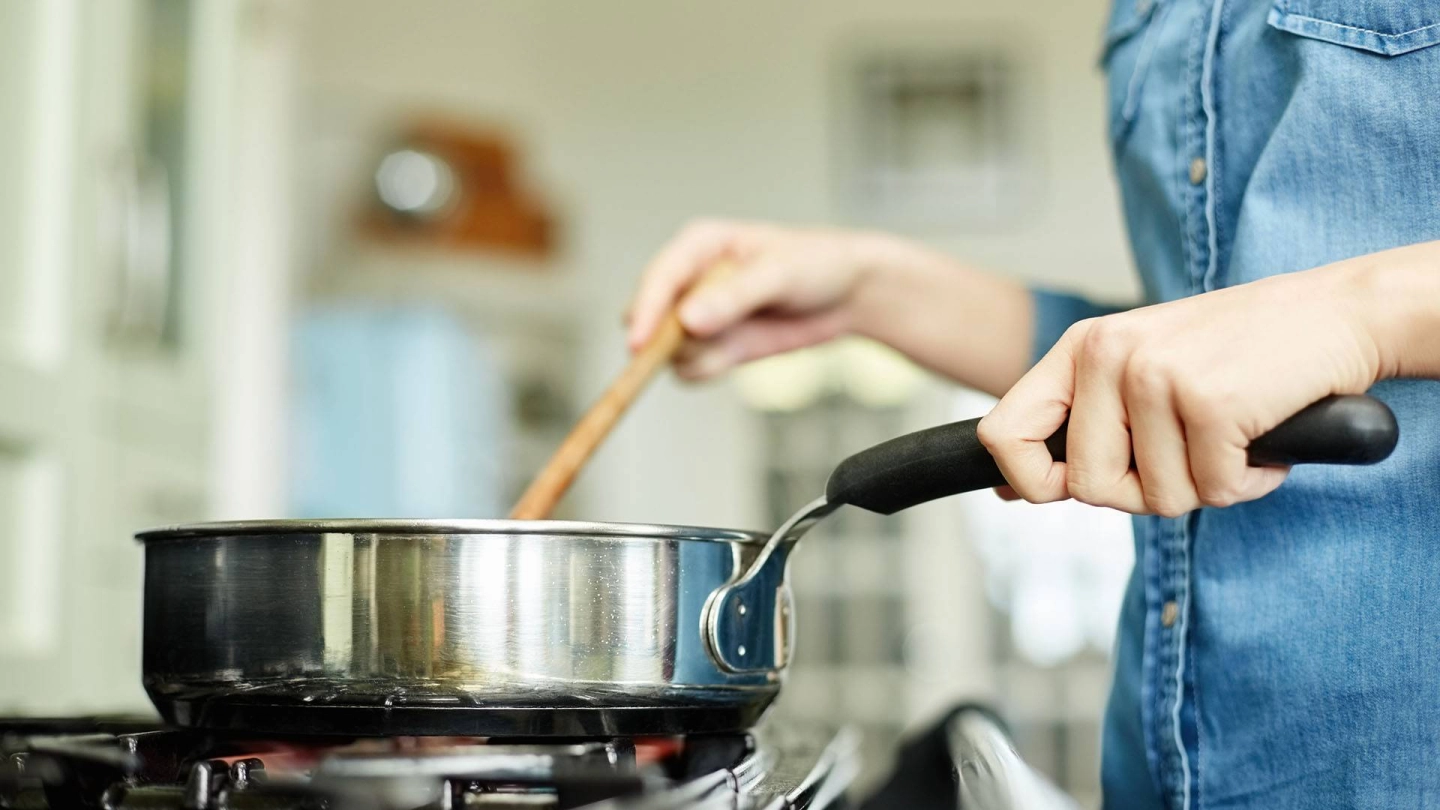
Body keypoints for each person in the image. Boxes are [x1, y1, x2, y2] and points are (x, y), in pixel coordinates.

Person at [624, 2, 1440, 808]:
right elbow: (1173, 361)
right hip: (1174, 761)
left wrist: (1367, 314)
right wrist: (863, 290)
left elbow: (1291, 331)